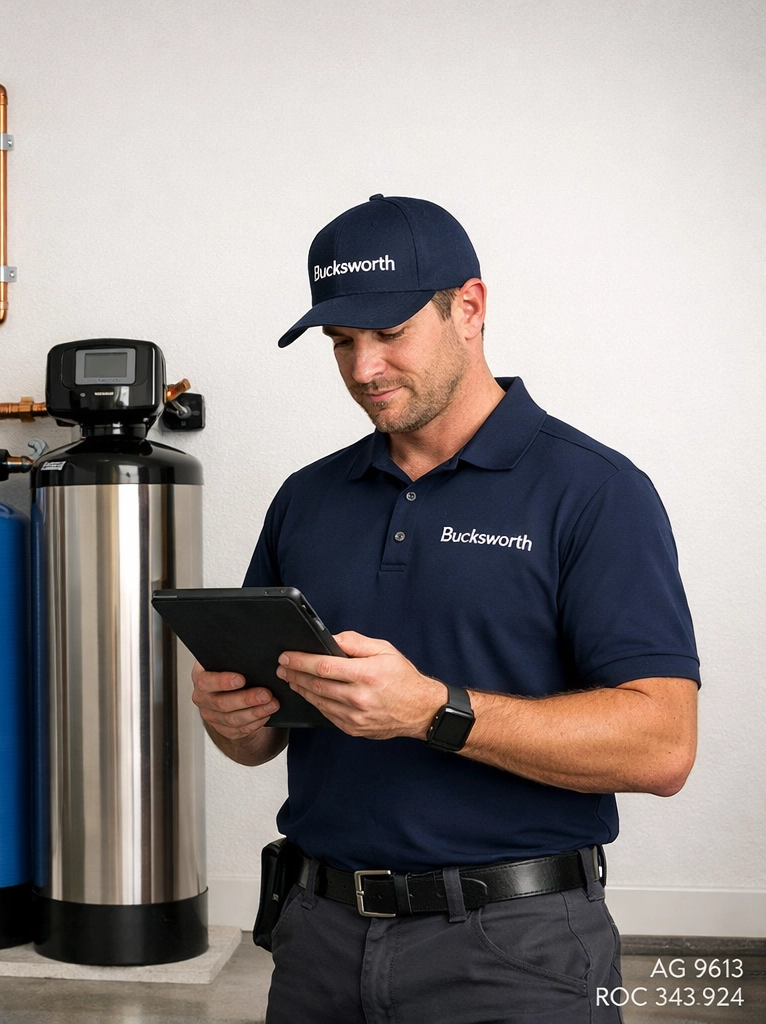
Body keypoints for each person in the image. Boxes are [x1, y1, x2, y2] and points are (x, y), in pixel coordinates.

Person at [193, 194, 700, 1023]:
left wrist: (433, 710)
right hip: (316, 939)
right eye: (342, 342)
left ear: (469, 308)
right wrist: (234, 719)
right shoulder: (307, 498)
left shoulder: (596, 493)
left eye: (389, 333)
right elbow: (259, 741)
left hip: (519, 950)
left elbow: (663, 745)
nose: (363, 369)